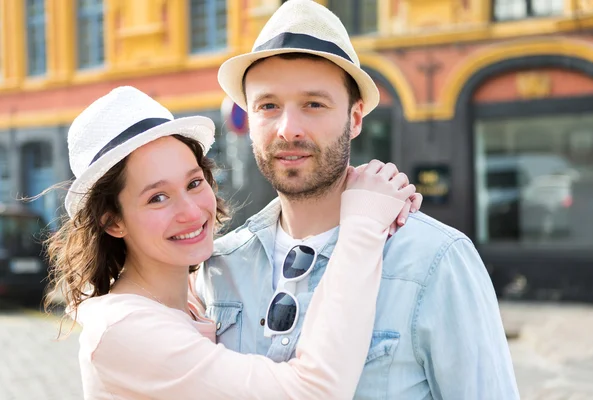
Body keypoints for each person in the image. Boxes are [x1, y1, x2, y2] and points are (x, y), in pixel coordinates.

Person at [197, 0, 520, 399]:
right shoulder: (219, 267)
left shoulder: (435, 260)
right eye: (268, 106)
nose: (288, 128)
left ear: (354, 118)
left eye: (314, 104)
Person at [44, 85, 415, 399]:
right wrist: (362, 223)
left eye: (193, 183)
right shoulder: (125, 330)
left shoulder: (189, 298)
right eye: (157, 197)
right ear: (113, 221)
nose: (191, 212)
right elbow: (312, 391)